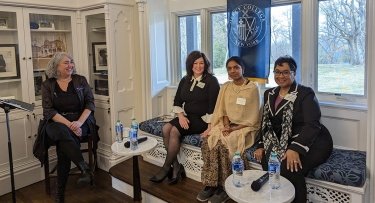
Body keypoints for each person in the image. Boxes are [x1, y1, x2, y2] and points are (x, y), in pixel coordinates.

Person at [253, 55, 333, 203]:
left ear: (294, 73)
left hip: (314, 141)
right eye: (277, 72)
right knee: (268, 160)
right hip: (283, 141)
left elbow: (313, 124)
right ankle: (275, 199)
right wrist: (261, 144)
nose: (280, 76)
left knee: (289, 166)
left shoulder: (305, 93)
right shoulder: (269, 94)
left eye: (285, 72)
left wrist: (295, 148)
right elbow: (266, 123)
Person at [196, 56, 261, 202]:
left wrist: (232, 129)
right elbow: (222, 111)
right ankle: (211, 184)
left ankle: (226, 186)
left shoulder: (252, 88)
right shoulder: (226, 87)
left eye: (236, 67)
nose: (233, 71)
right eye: (229, 68)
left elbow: (253, 119)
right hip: (227, 125)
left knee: (225, 144)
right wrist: (225, 126)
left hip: (245, 128)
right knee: (209, 141)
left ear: (242, 69)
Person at [150, 51, 220, 184]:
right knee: (166, 128)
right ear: (190, 65)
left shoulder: (211, 81)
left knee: (175, 131)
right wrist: (180, 116)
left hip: (201, 120)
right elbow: (177, 100)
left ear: (206, 65)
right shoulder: (185, 79)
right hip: (187, 116)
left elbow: (214, 106)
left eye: (201, 63)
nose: (198, 66)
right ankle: (176, 166)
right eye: (195, 63)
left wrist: (210, 127)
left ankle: (165, 168)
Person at [42, 52, 99, 203]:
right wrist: (70, 125)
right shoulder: (47, 84)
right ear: (56, 66)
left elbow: (90, 103)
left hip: (81, 121)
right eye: (66, 63)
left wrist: (79, 123)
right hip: (57, 122)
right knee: (62, 132)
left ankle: (60, 194)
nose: (70, 65)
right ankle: (84, 169)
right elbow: (49, 111)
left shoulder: (80, 80)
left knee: (63, 148)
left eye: (71, 62)